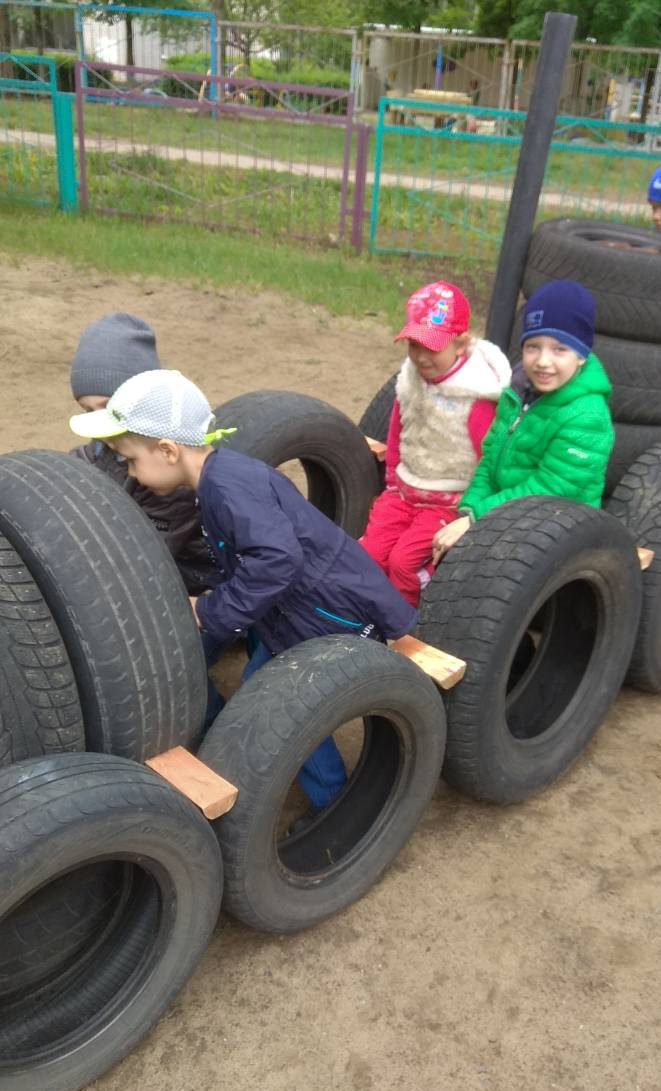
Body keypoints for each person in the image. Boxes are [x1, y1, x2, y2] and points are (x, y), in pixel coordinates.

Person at [69, 368, 416, 821]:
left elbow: (277, 561)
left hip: (330, 614)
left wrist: (213, 609)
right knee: (261, 680)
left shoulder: (228, 488)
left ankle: (338, 807)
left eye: (131, 461)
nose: (130, 473)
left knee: (279, 700)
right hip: (302, 606)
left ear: (168, 451)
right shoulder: (219, 476)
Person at [432, 280, 614, 563]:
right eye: (533, 346)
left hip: (557, 526)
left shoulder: (586, 416)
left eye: (559, 349)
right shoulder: (516, 393)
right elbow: (489, 459)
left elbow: (551, 488)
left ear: (581, 355)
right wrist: (469, 509)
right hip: (506, 513)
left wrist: (477, 518)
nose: (542, 361)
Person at [360, 281, 511, 605]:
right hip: (405, 491)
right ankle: (368, 619)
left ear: (460, 344)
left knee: (403, 564)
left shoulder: (477, 397)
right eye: (414, 346)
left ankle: (406, 630)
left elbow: (490, 459)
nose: (420, 357)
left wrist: (470, 512)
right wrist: (391, 482)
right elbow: (398, 431)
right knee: (368, 555)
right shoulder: (411, 380)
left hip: (449, 500)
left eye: (431, 348)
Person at [69, 312, 217, 592]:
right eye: (87, 410)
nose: (98, 424)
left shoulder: (171, 473)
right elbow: (84, 462)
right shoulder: (105, 448)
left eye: (108, 407)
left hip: (189, 578)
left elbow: (141, 563)